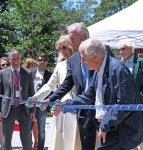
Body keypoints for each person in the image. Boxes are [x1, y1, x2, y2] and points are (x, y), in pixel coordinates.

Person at [53, 39, 143, 150]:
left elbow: (124, 104)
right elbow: (88, 96)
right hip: (112, 127)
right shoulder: (99, 70)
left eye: (84, 58)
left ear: (95, 56)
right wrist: (65, 104)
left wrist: (105, 125)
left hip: (123, 128)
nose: (82, 62)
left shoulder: (117, 69)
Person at [48, 22, 99, 150]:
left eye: (72, 37)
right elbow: (66, 84)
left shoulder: (102, 51)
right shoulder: (74, 59)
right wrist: (50, 100)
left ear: (83, 36)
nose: (70, 41)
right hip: (84, 109)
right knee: (86, 144)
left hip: (102, 106)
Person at [31, 35, 81, 150]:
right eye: (60, 48)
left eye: (64, 47)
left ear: (72, 46)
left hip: (78, 106)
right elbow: (50, 85)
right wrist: (36, 98)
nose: (62, 51)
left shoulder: (82, 63)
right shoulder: (60, 66)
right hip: (60, 108)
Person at [0, 49, 35, 150]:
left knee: (26, 137)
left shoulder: (28, 73)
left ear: (21, 59)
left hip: (24, 109)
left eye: (17, 58)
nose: (16, 61)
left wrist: (32, 110)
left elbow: (31, 93)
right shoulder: (3, 73)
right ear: (9, 60)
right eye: (13, 59)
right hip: (8, 109)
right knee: (7, 138)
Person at [118, 40, 143, 150]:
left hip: (139, 104)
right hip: (124, 104)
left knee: (141, 131)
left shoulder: (141, 62)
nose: (121, 52)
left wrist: (139, 99)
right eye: (119, 50)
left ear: (131, 49)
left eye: (123, 49)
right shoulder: (118, 64)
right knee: (128, 132)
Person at [28, 53, 52, 150]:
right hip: (30, 104)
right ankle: (28, 146)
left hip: (42, 105)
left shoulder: (50, 75)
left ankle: (40, 148)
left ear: (47, 62)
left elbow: (52, 90)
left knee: (41, 129)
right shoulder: (30, 72)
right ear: (37, 61)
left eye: (43, 60)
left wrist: (49, 102)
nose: (41, 62)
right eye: (39, 60)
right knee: (28, 128)